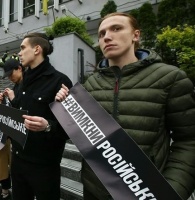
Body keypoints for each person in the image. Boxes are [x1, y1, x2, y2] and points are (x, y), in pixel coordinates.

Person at [55, 12, 195, 200]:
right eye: (102, 33)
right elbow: (77, 134)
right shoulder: (89, 84)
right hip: (94, 190)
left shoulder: (170, 78)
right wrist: (62, 111)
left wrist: (173, 189)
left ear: (135, 35)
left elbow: (188, 141)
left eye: (116, 29)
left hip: (145, 192)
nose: (107, 37)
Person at [9, 32, 73, 200]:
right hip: (17, 159)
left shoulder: (60, 81)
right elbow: (22, 111)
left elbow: (70, 128)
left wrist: (48, 126)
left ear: (37, 49)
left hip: (44, 167)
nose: (19, 53)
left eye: (23, 48)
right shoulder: (22, 82)